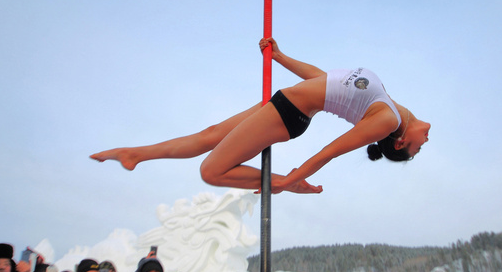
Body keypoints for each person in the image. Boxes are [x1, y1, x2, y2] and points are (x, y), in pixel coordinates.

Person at [91, 38, 431, 194]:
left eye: (416, 150)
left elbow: (332, 149)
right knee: (210, 134)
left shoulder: (386, 120)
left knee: (210, 170)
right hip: (286, 103)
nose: (425, 142)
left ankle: (282, 183)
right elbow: (323, 79)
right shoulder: (389, 102)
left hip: (288, 114)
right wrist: (281, 57)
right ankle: (135, 154)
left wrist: (287, 181)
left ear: (400, 140)